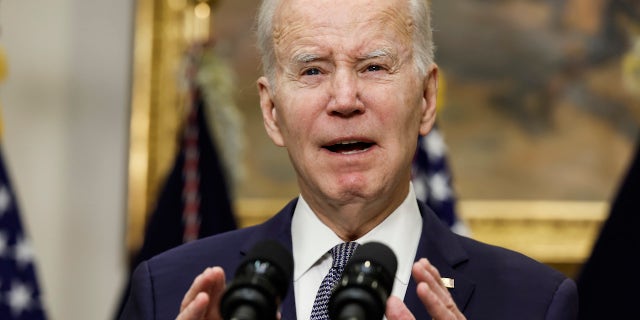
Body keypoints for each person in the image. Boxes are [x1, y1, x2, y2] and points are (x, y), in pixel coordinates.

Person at [119, 0, 579, 319]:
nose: (344, 99)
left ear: (425, 98)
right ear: (271, 111)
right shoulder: (167, 291)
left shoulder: (535, 302)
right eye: (313, 70)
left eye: (373, 67)